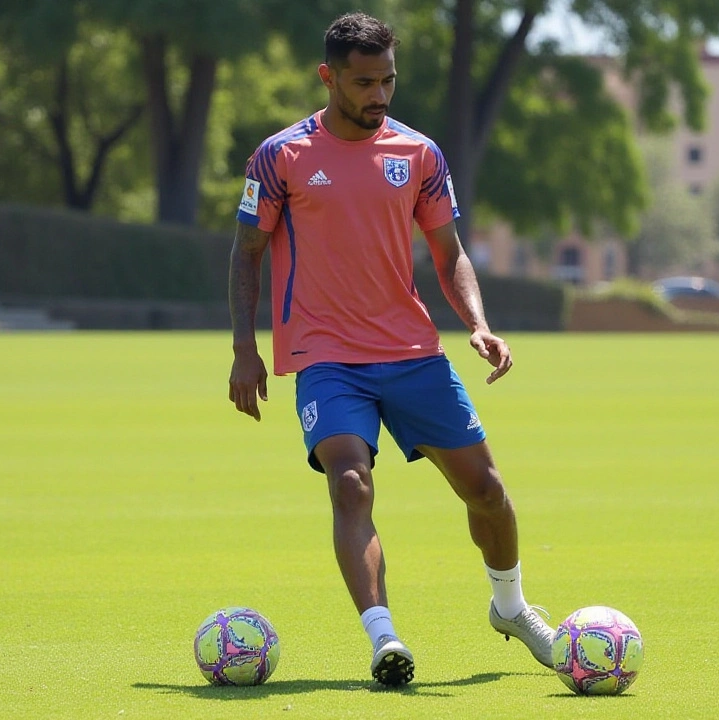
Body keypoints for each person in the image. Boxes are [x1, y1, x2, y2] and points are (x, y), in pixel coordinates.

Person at [227, 12, 553, 687]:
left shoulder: (420, 154)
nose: (379, 95)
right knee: (350, 483)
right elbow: (246, 250)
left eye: (388, 81)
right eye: (364, 82)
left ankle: (512, 608)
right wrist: (244, 349)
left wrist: (478, 321)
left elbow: (449, 252)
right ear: (330, 77)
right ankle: (384, 638)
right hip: (326, 357)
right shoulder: (279, 155)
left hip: (412, 353)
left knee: (487, 491)